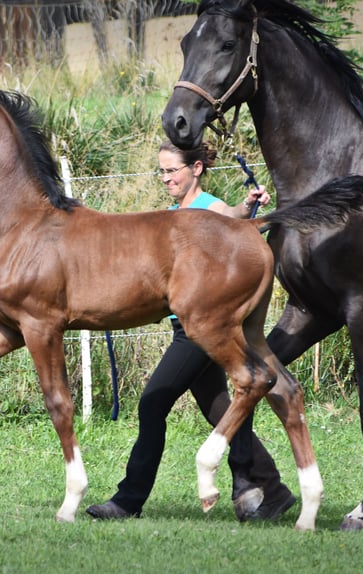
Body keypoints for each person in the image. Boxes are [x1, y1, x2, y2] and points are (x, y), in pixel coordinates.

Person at [86, 140, 296, 521]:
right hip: (183, 325)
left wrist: (247, 207)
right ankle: (271, 489)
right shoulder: (173, 212)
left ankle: (128, 500)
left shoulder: (208, 208)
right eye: (162, 171)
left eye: (172, 171)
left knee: (153, 403)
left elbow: (231, 221)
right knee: (221, 407)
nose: (166, 178)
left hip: (199, 326)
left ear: (196, 169)